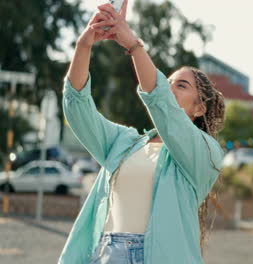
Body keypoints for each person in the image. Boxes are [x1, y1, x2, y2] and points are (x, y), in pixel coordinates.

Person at [58, 1, 225, 263]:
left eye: (180, 86)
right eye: (167, 82)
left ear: (200, 108)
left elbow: (159, 100)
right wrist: (85, 43)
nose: (169, 89)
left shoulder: (205, 153)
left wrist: (133, 45)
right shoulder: (124, 143)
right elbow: (78, 108)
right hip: (108, 254)